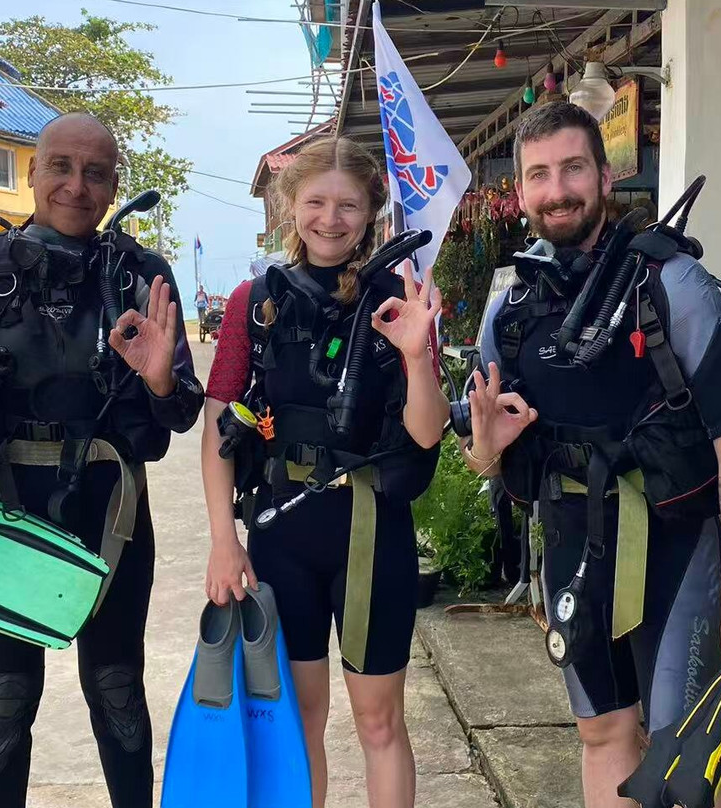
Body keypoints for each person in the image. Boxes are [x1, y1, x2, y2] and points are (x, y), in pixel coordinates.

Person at [0, 112, 204, 808]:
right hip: (3, 516)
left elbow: (178, 418)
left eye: (94, 172)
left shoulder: (143, 277)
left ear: (115, 183)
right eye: (60, 166)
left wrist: (159, 380)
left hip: (112, 516)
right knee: (4, 699)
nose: (76, 186)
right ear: (32, 172)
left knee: (117, 689)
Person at [464, 102, 721, 808]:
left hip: (677, 550)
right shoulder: (510, 308)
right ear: (519, 192)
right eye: (539, 174)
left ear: (606, 177)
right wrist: (489, 443)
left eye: (574, 167)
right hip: (575, 545)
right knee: (603, 736)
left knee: (681, 764)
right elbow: (482, 457)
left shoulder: (672, 287)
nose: (558, 189)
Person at [200, 137, 449, 808]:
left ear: (371, 212)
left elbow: (427, 432)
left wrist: (418, 355)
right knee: (301, 716)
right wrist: (224, 542)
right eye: (315, 202)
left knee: (379, 718)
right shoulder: (253, 302)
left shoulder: (399, 297)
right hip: (283, 532)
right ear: (289, 206)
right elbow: (218, 427)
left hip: (371, 531)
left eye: (347, 205)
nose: (330, 219)